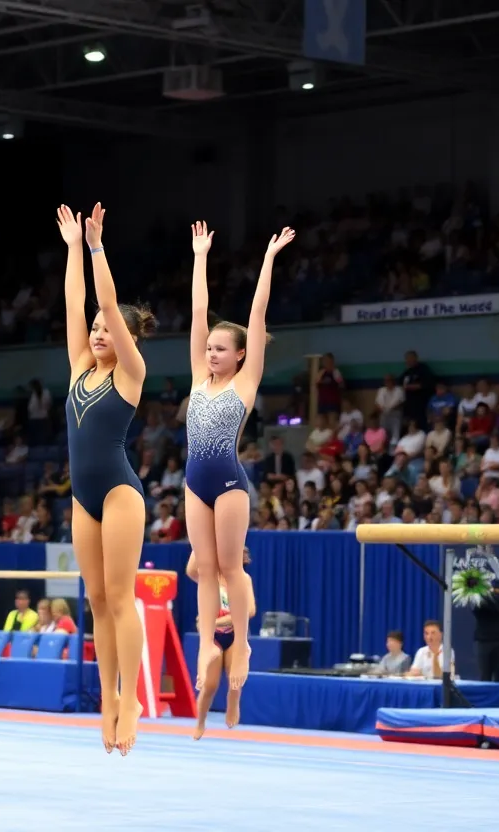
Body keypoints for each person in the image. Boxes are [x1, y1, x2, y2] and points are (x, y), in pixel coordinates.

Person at [56, 203, 153, 756]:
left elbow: (107, 304)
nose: (97, 332)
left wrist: (95, 248)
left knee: (120, 597)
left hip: (118, 493)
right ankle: (108, 698)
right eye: (93, 329)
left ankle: (131, 698)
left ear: (127, 339)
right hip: (82, 498)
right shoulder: (78, 367)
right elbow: (77, 303)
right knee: (95, 599)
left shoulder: (131, 374)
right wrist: (72, 248)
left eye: (106, 329)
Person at [187, 222, 294, 693]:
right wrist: (200, 256)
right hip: (194, 482)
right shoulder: (198, 376)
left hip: (229, 483)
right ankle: (208, 643)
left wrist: (268, 259)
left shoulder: (245, 383)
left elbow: (257, 312)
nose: (211, 353)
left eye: (220, 349)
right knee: (205, 569)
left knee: (231, 567)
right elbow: (198, 311)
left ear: (240, 354)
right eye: (209, 347)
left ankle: (243, 646)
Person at [185, 547, 256, 740]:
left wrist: (217, 622)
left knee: (235, 679)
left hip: (234, 634)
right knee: (210, 685)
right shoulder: (210, 578)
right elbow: (190, 570)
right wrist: (198, 543)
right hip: (214, 637)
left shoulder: (243, 580)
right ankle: (200, 721)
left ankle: (233, 703)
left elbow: (249, 611)